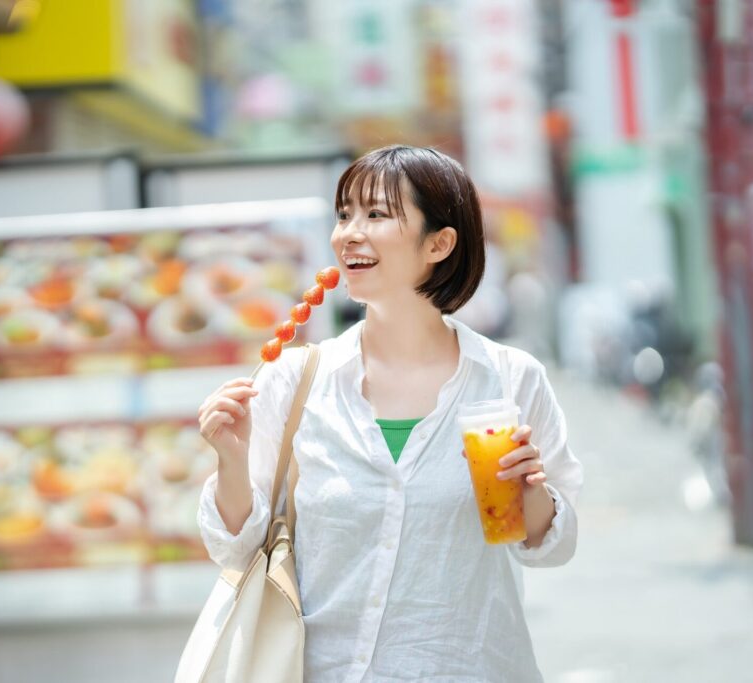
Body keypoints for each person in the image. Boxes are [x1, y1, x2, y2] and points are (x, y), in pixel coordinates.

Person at [196, 145, 583, 682]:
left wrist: (531, 489)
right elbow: (234, 549)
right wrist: (230, 462)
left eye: (376, 215)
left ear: (439, 243)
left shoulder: (508, 378)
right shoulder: (296, 381)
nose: (348, 233)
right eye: (344, 214)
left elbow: (549, 547)